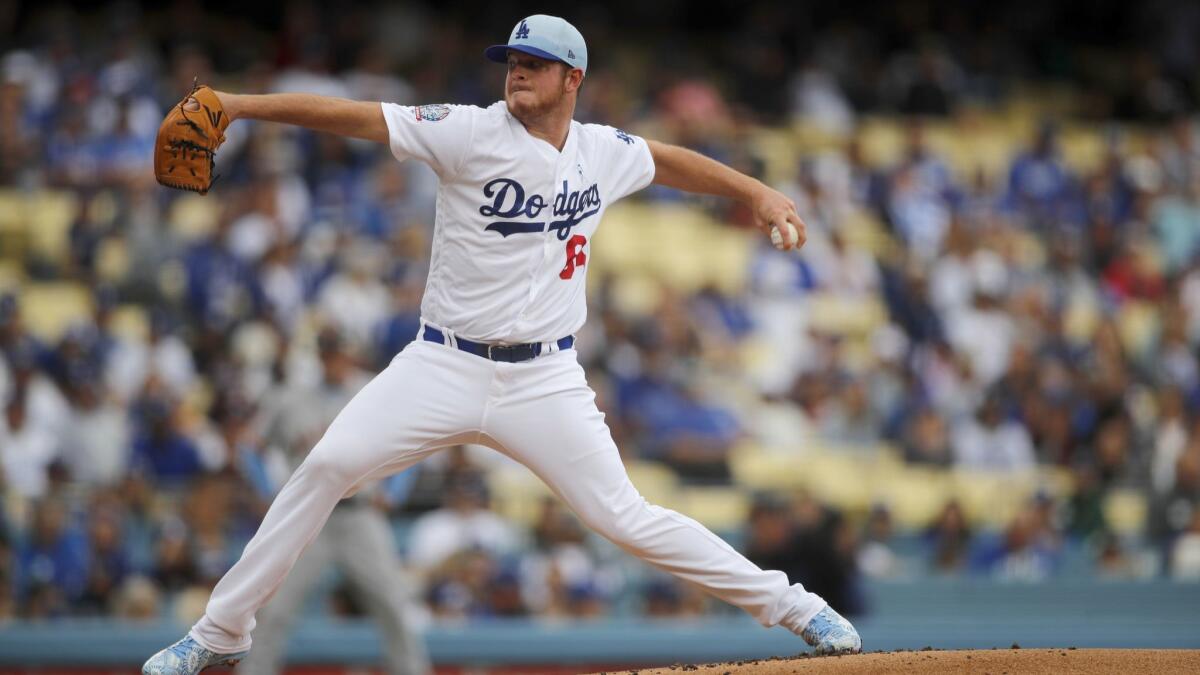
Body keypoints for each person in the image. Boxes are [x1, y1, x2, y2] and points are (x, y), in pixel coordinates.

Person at [142, 15, 859, 675]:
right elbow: (351, 118)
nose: (517, 71)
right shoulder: (467, 131)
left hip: (544, 378)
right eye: (512, 61)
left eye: (535, 63)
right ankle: (219, 631)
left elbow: (668, 160)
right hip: (442, 361)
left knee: (626, 517)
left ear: (572, 79)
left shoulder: (602, 151)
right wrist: (237, 103)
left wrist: (756, 192)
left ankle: (796, 606)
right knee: (327, 464)